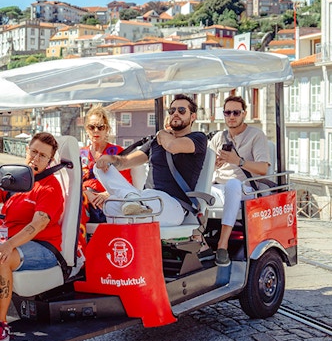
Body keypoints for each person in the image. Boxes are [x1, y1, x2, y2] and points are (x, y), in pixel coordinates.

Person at [94, 94, 208, 228]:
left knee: (129, 202)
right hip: (145, 199)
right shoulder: (155, 143)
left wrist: (162, 133)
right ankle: (132, 202)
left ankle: (131, 199)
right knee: (107, 190)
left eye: (181, 111)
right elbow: (125, 162)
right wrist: (109, 160)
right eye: (172, 111)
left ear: (193, 116)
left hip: (172, 205)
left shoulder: (198, 138)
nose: (175, 114)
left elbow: (172, 146)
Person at [0, 132, 64, 341]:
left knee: (1, 256)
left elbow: (36, 226)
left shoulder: (50, 187)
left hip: (44, 247)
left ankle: (1, 325)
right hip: (14, 241)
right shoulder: (16, 180)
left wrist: (9, 244)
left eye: (42, 156)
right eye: (33, 152)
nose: (35, 159)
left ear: (49, 161)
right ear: (26, 150)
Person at [209, 95, 270, 266]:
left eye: (236, 112)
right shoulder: (218, 138)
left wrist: (238, 161)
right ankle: (197, 239)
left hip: (246, 189)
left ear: (244, 114)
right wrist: (214, 164)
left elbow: (263, 168)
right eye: (227, 112)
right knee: (199, 190)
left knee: (233, 184)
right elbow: (204, 169)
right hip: (219, 186)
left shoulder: (256, 135)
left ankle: (223, 245)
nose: (231, 116)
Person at [80, 105, 132, 223]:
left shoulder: (117, 152)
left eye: (100, 127)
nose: (96, 131)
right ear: (87, 129)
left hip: (110, 199)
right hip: (85, 199)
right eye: (91, 127)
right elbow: (73, 182)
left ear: (107, 129)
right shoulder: (81, 153)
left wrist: (106, 195)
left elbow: (126, 182)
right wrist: (86, 194)